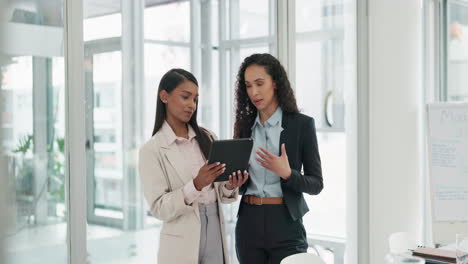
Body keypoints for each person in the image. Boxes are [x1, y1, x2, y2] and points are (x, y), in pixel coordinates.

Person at [139, 68, 248, 264]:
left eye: (195, 99)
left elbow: (219, 192)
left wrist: (231, 185)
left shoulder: (207, 138)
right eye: (185, 97)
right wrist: (196, 184)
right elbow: (159, 208)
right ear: (164, 96)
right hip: (181, 240)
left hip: (215, 226)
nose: (192, 105)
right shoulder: (151, 150)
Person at [233, 53, 323, 264]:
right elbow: (239, 183)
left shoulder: (302, 125)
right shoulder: (244, 127)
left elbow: (316, 184)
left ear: (275, 83)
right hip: (249, 223)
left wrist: (287, 173)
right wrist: (235, 183)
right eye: (248, 86)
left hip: (286, 223)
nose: (254, 92)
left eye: (260, 83)